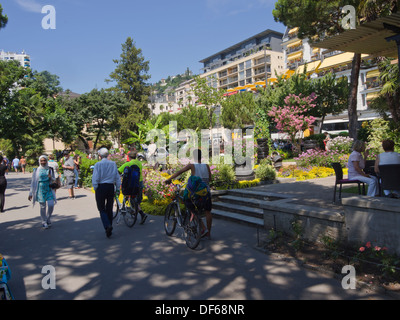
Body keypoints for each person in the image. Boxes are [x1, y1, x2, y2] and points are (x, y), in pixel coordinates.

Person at [165, 149, 212, 239]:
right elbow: (210, 179)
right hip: (206, 192)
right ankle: (208, 233)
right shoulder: (206, 165)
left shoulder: (192, 165)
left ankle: (203, 228)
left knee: (190, 206)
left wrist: (169, 179)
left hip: (196, 193)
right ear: (201, 156)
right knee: (208, 212)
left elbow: (179, 172)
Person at [92, 147, 121, 238]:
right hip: (110, 186)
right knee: (109, 207)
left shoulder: (97, 165)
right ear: (108, 154)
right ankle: (109, 226)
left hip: (101, 187)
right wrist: (118, 188)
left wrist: (96, 187)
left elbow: (95, 178)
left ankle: (107, 225)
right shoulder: (113, 164)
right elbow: (117, 177)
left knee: (101, 208)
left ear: (99, 156)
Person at [118, 151, 148, 224]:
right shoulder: (139, 163)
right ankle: (135, 212)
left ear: (129, 157)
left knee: (132, 199)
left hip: (131, 184)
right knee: (137, 200)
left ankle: (141, 213)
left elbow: (118, 171)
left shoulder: (128, 164)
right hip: (139, 182)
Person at [28, 155, 57, 229]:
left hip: (48, 189)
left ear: (47, 161)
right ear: (39, 161)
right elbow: (33, 182)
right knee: (42, 206)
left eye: (44, 160)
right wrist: (30, 193)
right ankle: (44, 221)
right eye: (41, 161)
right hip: (40, 189)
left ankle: (48, 218)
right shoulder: (36, 170)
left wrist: (51, 177)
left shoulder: (50, 169)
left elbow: (54, 179)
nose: (43, 162)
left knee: (51, 205)